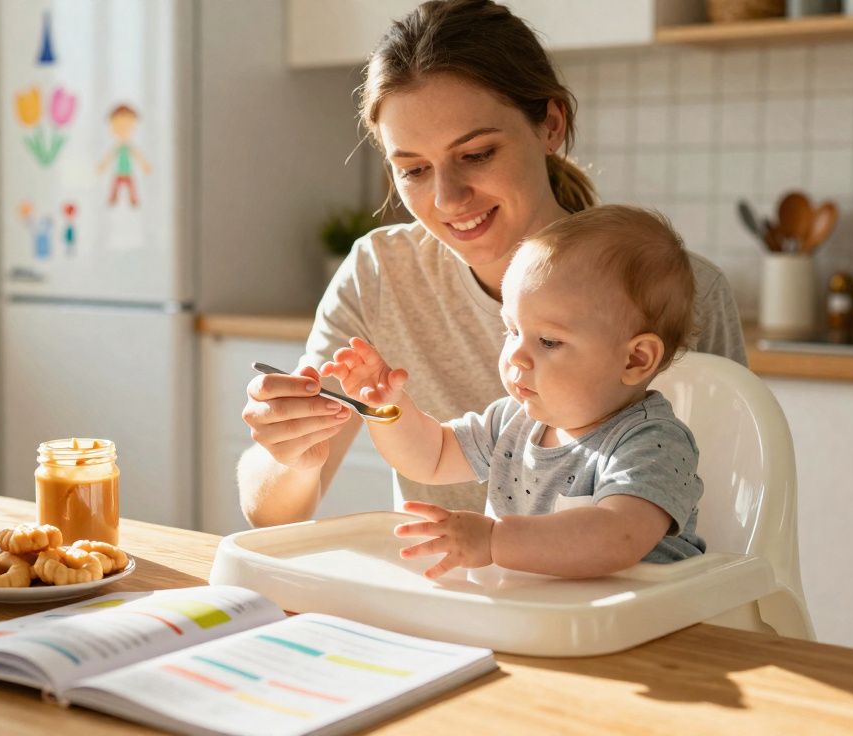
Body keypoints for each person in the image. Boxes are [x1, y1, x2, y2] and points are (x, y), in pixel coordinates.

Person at [238, 0, 744, 528]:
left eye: (476, 155)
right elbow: (272, 516)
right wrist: (291, 455)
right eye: (413, 170)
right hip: (445, 601)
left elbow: (724, 526)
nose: (449, 198)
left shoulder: (678, 291)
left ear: (549, 124)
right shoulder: (379, 273)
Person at [321, 205, 704, 579]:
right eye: (512, 330)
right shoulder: (512, 421)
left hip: (648, 624)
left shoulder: (652, 442)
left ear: (635, 359)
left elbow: (616, 537)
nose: (516, 355)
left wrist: (494, 540)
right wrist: (390, 408)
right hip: (548, 619)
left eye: (549, 341)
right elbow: (431, 457)